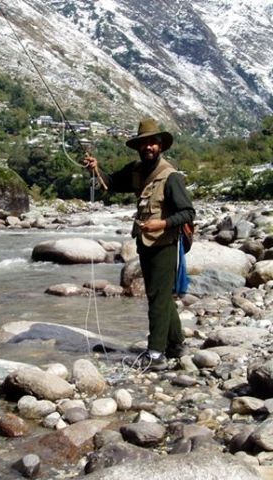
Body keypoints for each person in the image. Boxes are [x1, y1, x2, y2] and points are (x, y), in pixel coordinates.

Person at [83, 118, 195, 370]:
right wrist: (95, 169)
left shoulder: (171, 176)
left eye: (152, 143)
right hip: (145, 244)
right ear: (138, 147)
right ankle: (176, 345)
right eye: (144, 143)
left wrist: (161, 223)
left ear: (160, 146)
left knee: (157, 297)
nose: (148, 147)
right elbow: (110, 183)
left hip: (165, 243)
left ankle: (155, 354)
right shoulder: (135, 170)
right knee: (160, 294)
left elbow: (188, 213)